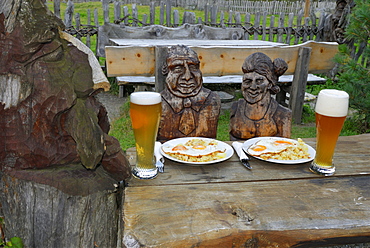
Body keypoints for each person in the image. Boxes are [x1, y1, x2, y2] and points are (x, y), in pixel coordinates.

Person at [157, 45, 221, 141]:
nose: (187, 77)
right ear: (166, 72)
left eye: (193, 68)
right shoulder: (157, 103)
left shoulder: (212, 100)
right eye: (178, 68)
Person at [230, 52, 292, 140]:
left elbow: (284, 145)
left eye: (259, 81)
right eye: (247, 81)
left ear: (270, 84)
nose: (253, 87)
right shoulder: (236, 108)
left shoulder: (282, 114)